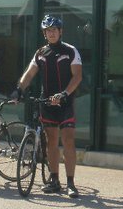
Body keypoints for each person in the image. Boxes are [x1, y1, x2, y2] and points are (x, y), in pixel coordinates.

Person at [13, 14, 82, 198]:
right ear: (45, 33)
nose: (51, 33)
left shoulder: (71, 51)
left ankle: (71, 183)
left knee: (68, 140)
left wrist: (65, 94)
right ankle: (54, 180)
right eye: (48, 30)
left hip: (65, 101)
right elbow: (29, 74)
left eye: (54, 30)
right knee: (51, 142)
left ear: (60, 32)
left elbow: (77, 77)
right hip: (48, 102)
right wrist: (19, 89)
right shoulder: (41, 53)